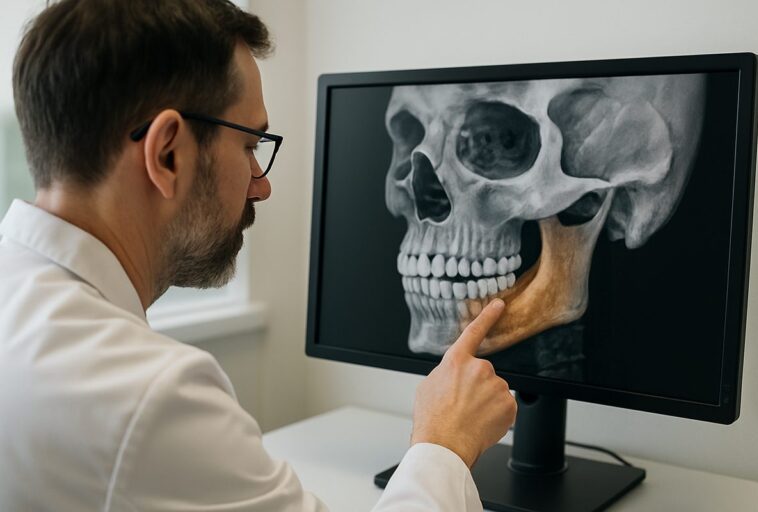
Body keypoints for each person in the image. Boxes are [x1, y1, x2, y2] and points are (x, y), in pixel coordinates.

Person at [0, 1, 518, 510]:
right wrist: (444, 442)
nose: (262, 184)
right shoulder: (148, 396)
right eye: (250, 146)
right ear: (167, 154)